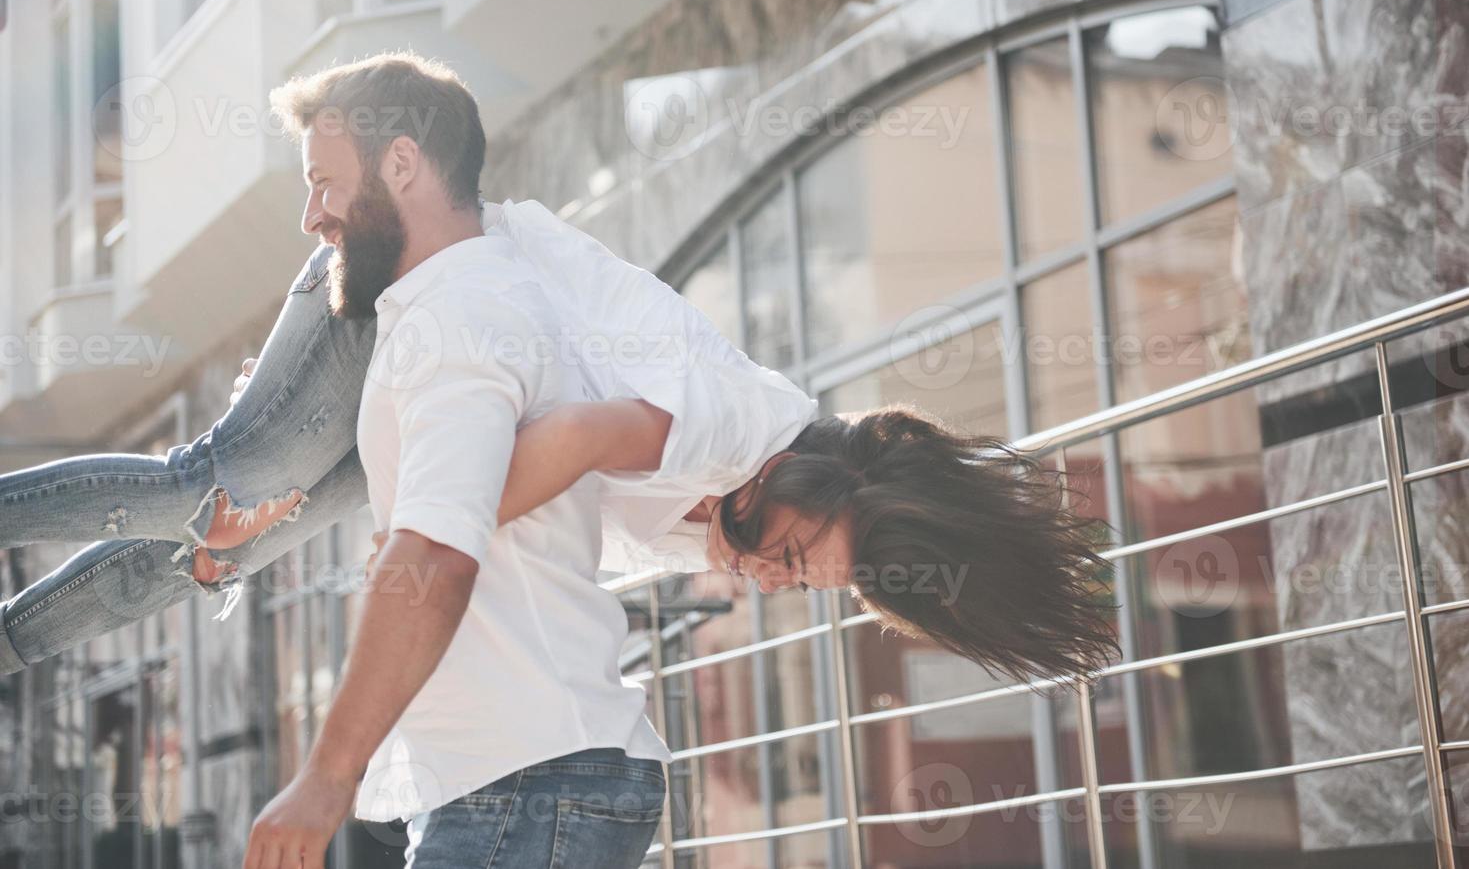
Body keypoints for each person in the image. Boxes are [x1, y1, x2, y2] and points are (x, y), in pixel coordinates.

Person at [0, 54, 1118, 866]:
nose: (778, 579)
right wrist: (426, 531)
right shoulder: (740, 427)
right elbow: (571, 447)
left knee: (222, 542)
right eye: (799, 558)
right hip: (414, 272)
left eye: (801, 587)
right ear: (831, 488)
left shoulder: (734, 486)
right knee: (215, 491)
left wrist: (416, 519)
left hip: (462, 367)